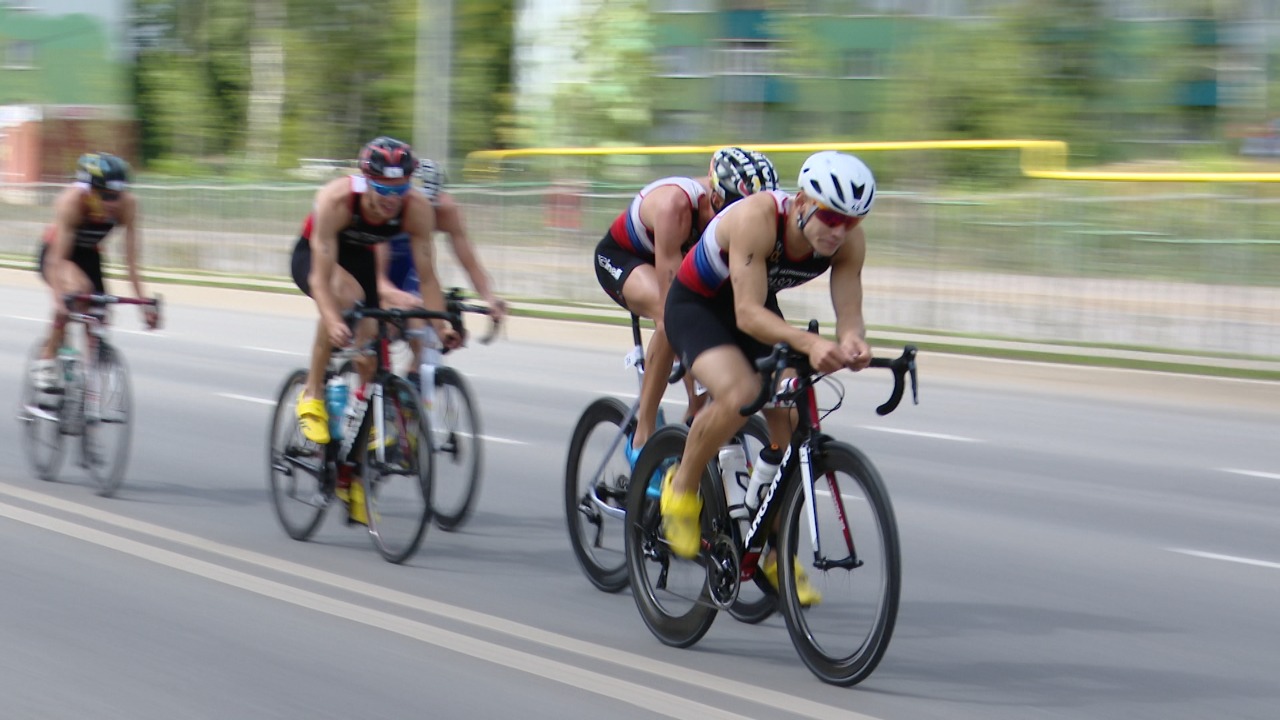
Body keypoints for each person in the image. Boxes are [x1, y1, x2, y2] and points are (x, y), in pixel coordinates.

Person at [659, 150, 879, 604]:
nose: (839, 232)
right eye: (831, 217)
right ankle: (680, 491)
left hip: (756, 304)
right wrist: (810, 344)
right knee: (740, 392)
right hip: (699, 304)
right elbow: (746, 314)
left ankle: (772, 548)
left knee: (793, 424)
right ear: (801, 202)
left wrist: (853, 342)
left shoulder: (849, 242)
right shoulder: (758, 218)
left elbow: (849, 314)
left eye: (851, 222)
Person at [593, 147, 779, 465]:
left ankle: (693, 421)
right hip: (626, 259)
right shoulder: (675, 206)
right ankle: (643, 437)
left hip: (674, 262)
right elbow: (675, 302)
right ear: (717, 200)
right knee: (671, 322)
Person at [289, 136, 461, 453]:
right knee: (345, 297)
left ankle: (359, 437)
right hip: (317, 256)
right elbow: (320, 278)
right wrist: (332, 319)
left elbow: (428, 277)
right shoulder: (336, 199)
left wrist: (440, 326)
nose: (391, 200)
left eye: (399, 190)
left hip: (360, 257)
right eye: (382, 189)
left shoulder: (417, 207)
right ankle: (311, 394)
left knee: (369, 345)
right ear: (364, 181)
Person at [32, 152, 159, 401]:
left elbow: (131, 260)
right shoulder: (71, 203)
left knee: (100, 313)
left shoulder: (128, 205)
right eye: (106, 195)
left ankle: (88, 391)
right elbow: (57, 260)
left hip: (90, 256)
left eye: (118, 194)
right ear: (89, 191)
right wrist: (59, 299)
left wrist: (143, 303)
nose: (113, 202)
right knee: (78, 292)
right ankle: (47, 358)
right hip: (57, 254)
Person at [376, 158, 507, 377]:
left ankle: (411, 389)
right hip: (377, 262)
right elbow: (377, 277)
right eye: (417, 205)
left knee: (422, 326)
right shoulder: (386, 210)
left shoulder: (446, 211)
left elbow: (470, 263)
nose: (423, 213)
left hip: (409, 263)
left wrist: (489, 297)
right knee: (382, 329)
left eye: (430, 206)